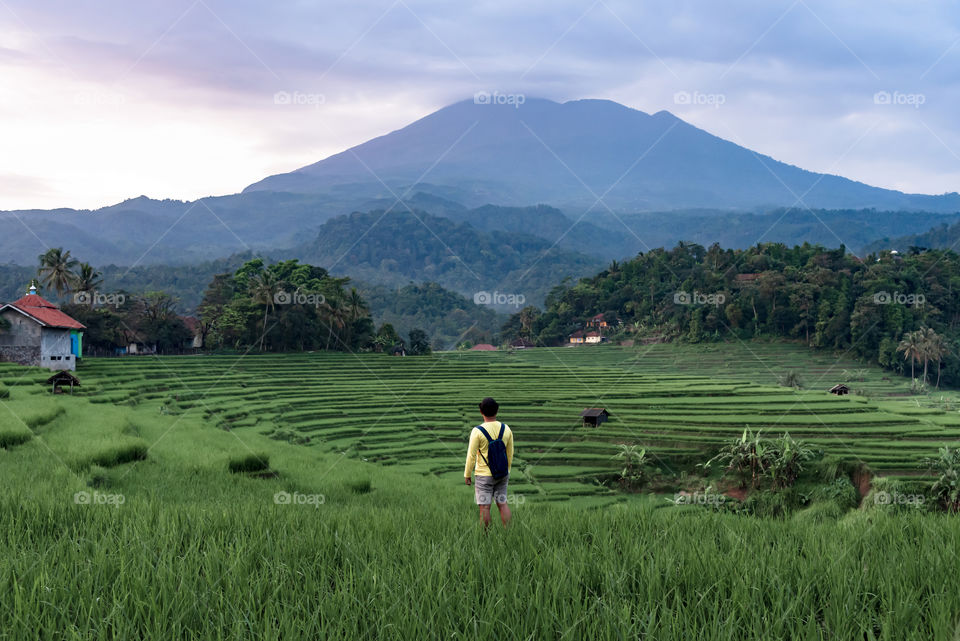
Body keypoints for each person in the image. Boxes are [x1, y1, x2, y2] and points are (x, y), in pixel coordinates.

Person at [464, 397, 514, 528]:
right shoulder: (506, 429)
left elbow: (471, 455)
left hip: (483, 476)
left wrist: (467, 474)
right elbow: (510, 453)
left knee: (485, 508)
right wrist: (506, 471)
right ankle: (509, 533)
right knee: (502, 504)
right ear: (497, 411)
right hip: (502, 474)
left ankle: (486, 538)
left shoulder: (477, 431)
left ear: (481, 411)